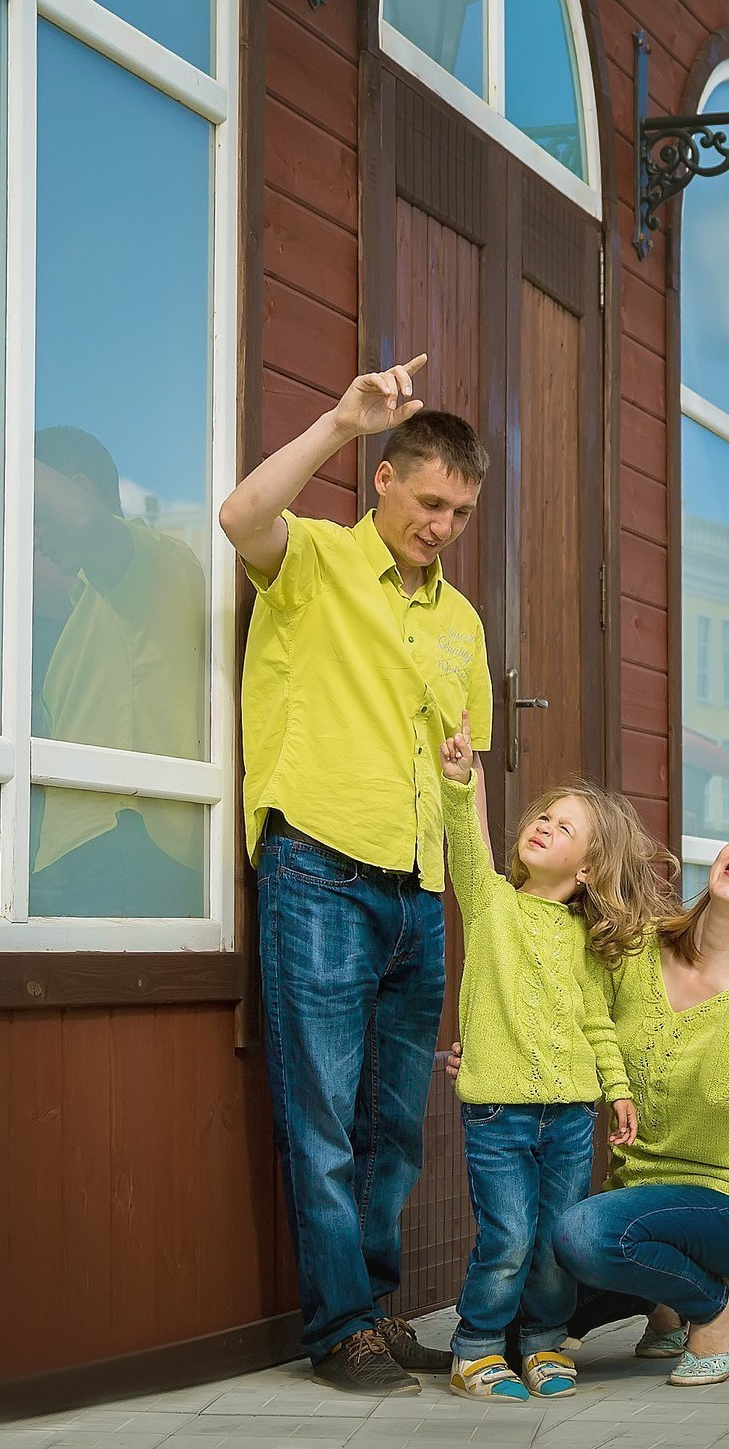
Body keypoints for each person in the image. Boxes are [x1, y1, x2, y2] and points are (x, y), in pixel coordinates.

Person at [216, 355, 495, 1396]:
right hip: (320, 869)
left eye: (461, 513)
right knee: (323, 1113)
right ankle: (339, 1328)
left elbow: (464, 776)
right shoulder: (317, 562)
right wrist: (341, 421)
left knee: (390, 1128)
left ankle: (375, 1311)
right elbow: (240, 512)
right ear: (385, 481)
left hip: (418, 895)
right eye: (430, 502)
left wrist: (485, 915)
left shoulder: (460, 623)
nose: (441, 526)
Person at [433, 717, 660, 1402]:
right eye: (544, 817)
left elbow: (596, 1022)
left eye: (565, 828)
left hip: (567, 1114)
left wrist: (616, 1090)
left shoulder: (585, 941)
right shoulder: (491, 904)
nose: (544, 827)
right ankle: (475, 1347)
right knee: (506, 1235)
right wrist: (459, 781)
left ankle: (541, 1340)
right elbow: (468, 847)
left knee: (555, 1239)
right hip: (499, 1111)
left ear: (588, 868)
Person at [554, 817, 729, 1388]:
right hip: (634, 1196)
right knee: (528, 1309)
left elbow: (726, 1089)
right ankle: (665, 1306)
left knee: (584, 1236)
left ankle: (712, 1301)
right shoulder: (639, 949)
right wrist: (493, 1056)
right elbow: (580, 1022)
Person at [0, 394, 207, 917]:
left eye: (36, 517)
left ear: (79, 491)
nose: (32, 540)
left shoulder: (156, 565)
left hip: (129, 846)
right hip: (90, 854)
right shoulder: (88, 610)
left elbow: (88, 525)